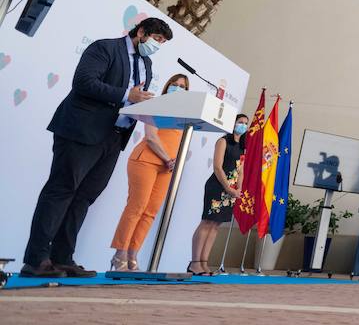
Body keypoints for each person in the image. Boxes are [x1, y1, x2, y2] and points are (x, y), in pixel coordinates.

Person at [21, 17, 171, 278]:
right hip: (82, 131)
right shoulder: (105, 48)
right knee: (61, 190)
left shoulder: (146, 63)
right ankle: (35, 259)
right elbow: (83, 82)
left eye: (163, 43)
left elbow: (135, 96)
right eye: (157, 40)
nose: (158, 46)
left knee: (84, 197)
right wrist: (127, 96)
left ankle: (62, 257)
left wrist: (145, 105)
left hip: (113, 137)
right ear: (142, 32)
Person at [109, 74, 191, 271]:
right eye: (174, 84)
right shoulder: (156, 105)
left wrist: (176, 162)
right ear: (167, 86)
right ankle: (119, 254)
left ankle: (132, 255)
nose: (178, 88)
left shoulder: (186, 115)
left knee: (150, 212)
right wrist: (168, 159)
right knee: (137, 207)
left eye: (182, 86)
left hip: (167, 168)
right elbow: (151, 137)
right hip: (146, 161)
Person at [189, 112, 248, 275]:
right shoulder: (223, 141)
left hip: (232, 191)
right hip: (217, 186)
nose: (243, 125)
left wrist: (238, 189)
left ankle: (204, 262)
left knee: (216, 225)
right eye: (240, 122)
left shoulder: (243, 146)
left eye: (245, 123)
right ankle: (195, 262)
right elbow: (217, 167)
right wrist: (228, 187)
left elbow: (240, 170)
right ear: (233, 123)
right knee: (207, 222)